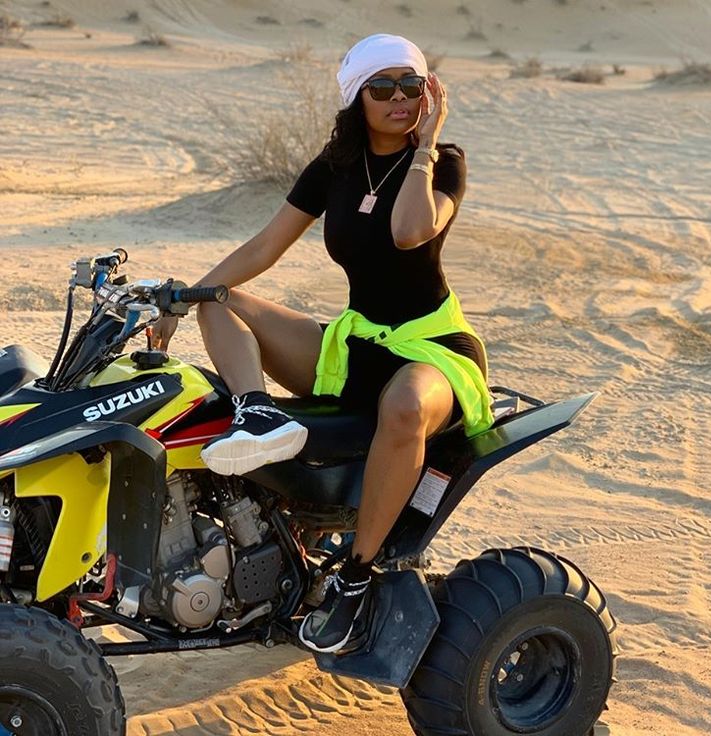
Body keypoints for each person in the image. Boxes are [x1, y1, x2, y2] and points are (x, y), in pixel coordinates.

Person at [152, 33, 492, 654]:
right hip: (355, 344)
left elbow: (411, 230)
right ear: (356, 98)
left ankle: (357, 578)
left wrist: (423, 147)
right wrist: (184, 297)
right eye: (381, 88)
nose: (399, 98)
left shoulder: (445, 163)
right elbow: (261, 249)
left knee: (406, 409)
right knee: (219, 302)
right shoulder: (333, 169)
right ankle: (257, 414)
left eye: (411, 86)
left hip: (432, 349)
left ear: (428, 95)